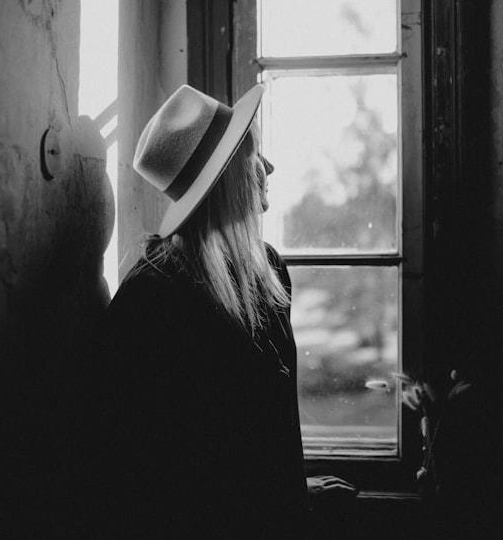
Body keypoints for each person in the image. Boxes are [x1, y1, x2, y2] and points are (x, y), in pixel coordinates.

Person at [71, 84, 355, 537]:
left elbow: (265, 429)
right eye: (254, 153)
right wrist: (276, 498)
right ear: (224, 179)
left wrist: (289, 491)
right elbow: (153, 468)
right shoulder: (152, 300)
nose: (269, 167)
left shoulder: (269, 272)